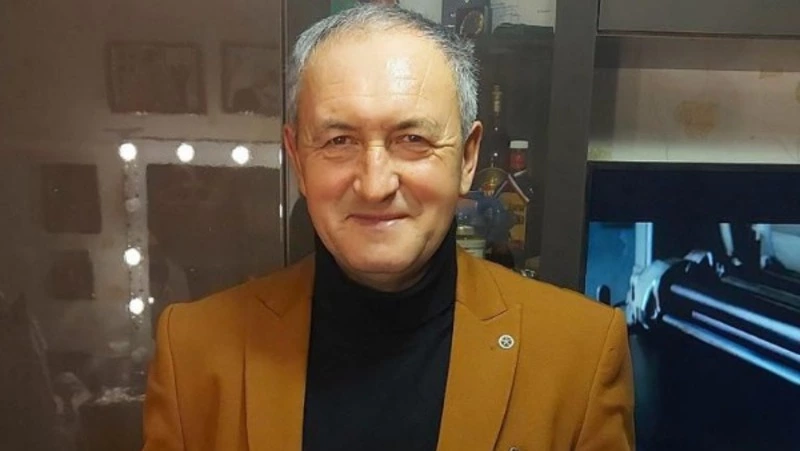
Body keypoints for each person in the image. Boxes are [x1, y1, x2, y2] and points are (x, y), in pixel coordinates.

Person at [143, 5, 634, 451]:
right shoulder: (195, 352)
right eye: (339, 141)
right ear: (297, 159)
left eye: (413, 139)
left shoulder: (578, 354)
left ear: (467, 158)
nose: (375, 184)